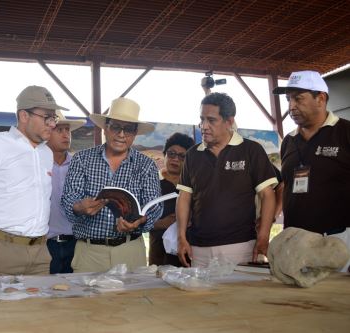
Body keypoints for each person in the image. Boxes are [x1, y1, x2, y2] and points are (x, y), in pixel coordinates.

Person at [0, 85, 68, 276]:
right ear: (24, 116)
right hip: (1, 252)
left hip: (40, 253)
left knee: (39, 306)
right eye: (47, 118)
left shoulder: (46, 153)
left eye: (54, 118)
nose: (52, 124)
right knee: (0, 307)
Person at [61, 97, 163, 273]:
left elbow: (154, 206)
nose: (121, 134)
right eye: (116, 127)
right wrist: (79, 206)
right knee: (88, 300)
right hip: (89, 252)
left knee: (129, 300)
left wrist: (139, 221)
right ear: (105, 127)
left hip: (130, 250)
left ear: (135, 132)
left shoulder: (146, 165)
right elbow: (69, 198)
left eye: (128, 129)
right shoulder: (82, 159)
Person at [176, 93, 277, 268]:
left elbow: (267, 195)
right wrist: (181, 237)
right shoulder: (192, 155)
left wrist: (263, 236)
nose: (204, 126)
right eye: (202, 119)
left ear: (229, 122)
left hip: (240, 246)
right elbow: (184, 197)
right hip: (198, 249)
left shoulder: (251, 150)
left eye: (211, 120)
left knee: (238, 296)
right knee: (200, 296)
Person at [273, 70, 350, 271]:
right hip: (295, 241)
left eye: (299, 99)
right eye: (288, 99)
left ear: (321, 98)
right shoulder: (288, 141)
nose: (291, 106)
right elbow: (286, 184)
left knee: (336, 299)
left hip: (337, 240)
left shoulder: (345, 132)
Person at [46, 111, 86, 274]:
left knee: (76, 296)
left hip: (77, 243)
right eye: (59, 130)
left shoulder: (80, 165)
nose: (65, 135)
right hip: (45, 244)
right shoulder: (38, 164)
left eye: (67, 130)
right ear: (47, 132)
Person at [149, 132, 195, 266]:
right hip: (159, 253)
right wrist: (160, 223)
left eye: (182, 156)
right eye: (171, 153)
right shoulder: (152, 183)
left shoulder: (194, 186)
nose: (175, 159)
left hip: (189, 252)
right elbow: (138, 221)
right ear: (164, 155)